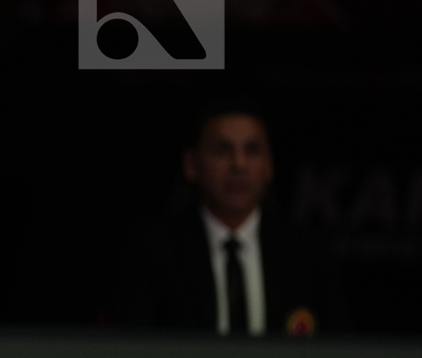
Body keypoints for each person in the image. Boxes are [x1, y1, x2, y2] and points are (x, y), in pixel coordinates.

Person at [113, 103, 347, 335]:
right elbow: (132, 350)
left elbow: (339, 352)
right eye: (222, 150)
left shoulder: (309, 253)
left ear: (269, 165)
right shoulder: (154, 249)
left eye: (252, 150)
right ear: (191, 164)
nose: (238, 164)